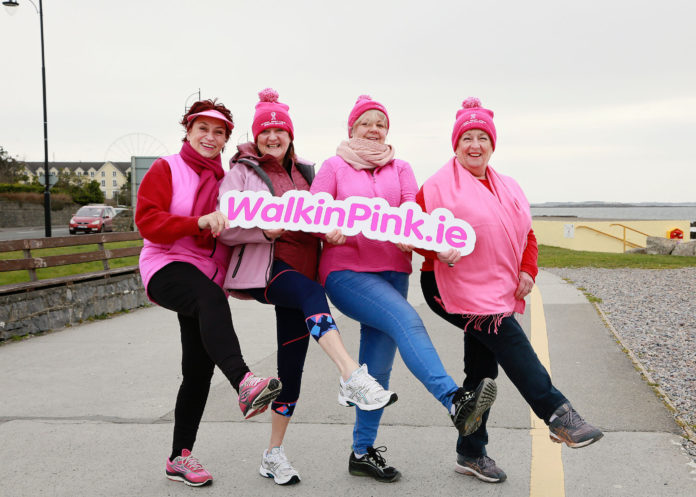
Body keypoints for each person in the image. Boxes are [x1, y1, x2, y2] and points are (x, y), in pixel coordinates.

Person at [309, 95, 497, 483]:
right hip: (346, 271)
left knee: (376, 372)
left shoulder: (402, 168)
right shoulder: (333, 166)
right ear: (351, 128)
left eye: (380, 123)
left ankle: (361, 452)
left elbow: (413, 208)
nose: (374, 128)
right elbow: (313, 210)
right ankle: (454, 400)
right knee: (407, 320)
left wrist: (418, 233)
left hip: (394, 270)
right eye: (366, 123)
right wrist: (324, 227)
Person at [417, 97, 603, 484]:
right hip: (447, 285)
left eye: (482, 137)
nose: (474, 145)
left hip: (495, 287)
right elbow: (412, 231)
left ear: (492, 144)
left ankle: (471, 453)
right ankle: (557, 414)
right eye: (467, 137)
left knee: (482, 375)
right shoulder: (435, 187)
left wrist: (527, 269)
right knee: (507, 335)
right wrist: (435, 248)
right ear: (456, 144)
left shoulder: (510, 187)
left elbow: (527, 235)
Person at [217, 89, 398, 486]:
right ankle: (351, 374)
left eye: (279, 130)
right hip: (269, 270)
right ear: (257, 135)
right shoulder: (242, 173)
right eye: (265, 131)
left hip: (304, 271)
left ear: (290, 135)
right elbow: (226, 228)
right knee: (311, 296)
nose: (273, 137)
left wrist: (330, 232)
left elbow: (321, 213)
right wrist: (264, 229)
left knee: (291, 369)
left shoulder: (308, 172)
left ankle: (273, 455)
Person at [135, 99, 283, 488]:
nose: (210, 137)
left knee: (198, 371)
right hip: (166, 263)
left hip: (208, 275)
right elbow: (147, 221)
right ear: (188, 131)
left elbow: (239, 227)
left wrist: (267, 232)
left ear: (226, 140)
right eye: (203, 129)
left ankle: (179, 457)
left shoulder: (229, 180)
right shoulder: (167, 167)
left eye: (219, 132)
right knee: (208, 300)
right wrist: (196, 222)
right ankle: (244, 383)